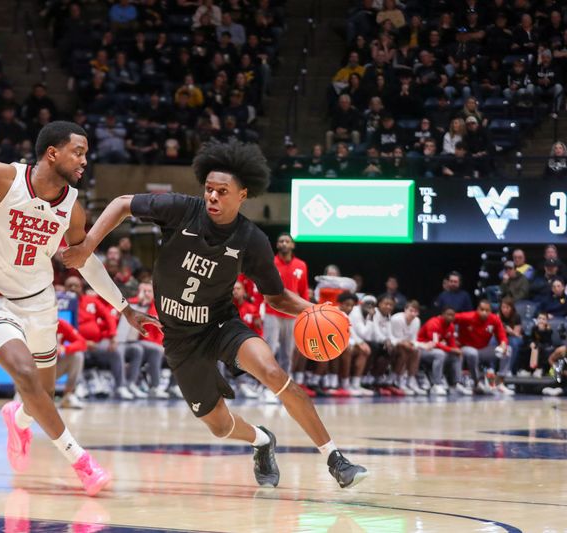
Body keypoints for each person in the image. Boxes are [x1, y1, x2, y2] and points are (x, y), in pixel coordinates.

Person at [63, 140, 368, 489]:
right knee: (220, 426)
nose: (212, 197)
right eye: (209, 189)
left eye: (222, 192)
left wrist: (311, 309)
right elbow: (121, 204)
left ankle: (335, 459)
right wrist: (88, 245)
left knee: (272, 371)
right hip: (179, 337)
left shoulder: (251, 241)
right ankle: (262, 440)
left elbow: (277, 297)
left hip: (221, 324)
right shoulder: (182, 210)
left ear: (243, 195)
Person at [0, 114, 159, 494]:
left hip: (39, 304)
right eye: (78, 152)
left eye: (86, 154)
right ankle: (82, 462)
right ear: (52, 153)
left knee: (40, 400)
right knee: (25, 375)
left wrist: (124, 308)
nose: (85, 161)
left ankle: (18, 419)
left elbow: (85, 261)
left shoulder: (72, 207)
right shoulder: (4, 177)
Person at [263, 233, 308, 397]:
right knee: (269, 351)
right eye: (281, 241)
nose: (284, 243)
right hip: (272, 312)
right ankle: (266, 387)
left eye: (287, 241)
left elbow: (303, 291)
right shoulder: (271, 263)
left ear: (292, 245)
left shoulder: (301, 265)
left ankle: (283, 388)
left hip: (292, 315)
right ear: (277, 245)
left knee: (287, 354)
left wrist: (305, 313)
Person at [455, 300, 508, 394]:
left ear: (490, 311)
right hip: (466, 348)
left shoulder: (494, 319)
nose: (484, 312)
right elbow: (447, 318)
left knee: (508, 351)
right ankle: (477, 382)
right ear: (477, 309)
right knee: (473, 353)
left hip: (483, 350)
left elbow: (502, 335)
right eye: (482, 309)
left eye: (487, 310)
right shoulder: (467, 317)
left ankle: (499, 383)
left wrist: (503, 344)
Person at [417, 307, 463, 396]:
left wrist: (456, 350)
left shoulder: (451, 326)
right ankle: (436, 384)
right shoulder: (433, 323)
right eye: (448, 314)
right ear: (442, 315)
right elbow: (435, 343)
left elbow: (452, 343)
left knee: (456, 355)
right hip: (422, 350)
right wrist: (451, 349)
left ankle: (456, 384)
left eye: (453, 315)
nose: (451, 317)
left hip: (435, 350)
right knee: (440, 354)